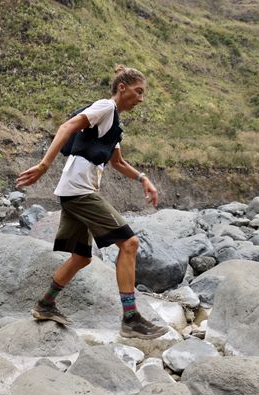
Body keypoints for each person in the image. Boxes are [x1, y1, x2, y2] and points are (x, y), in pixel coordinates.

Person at [16, 65, 166, 339]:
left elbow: (117, 162)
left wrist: (143, 178)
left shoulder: (113, 122)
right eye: (138, 91)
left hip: (73, 191)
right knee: (129, 244)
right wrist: (43, 165)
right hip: (79, 191)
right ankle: (131, 319)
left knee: (82, 257)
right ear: (122, 88)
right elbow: (68, 126)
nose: (141, 98)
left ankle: (45, 304)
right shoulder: (105, 108)